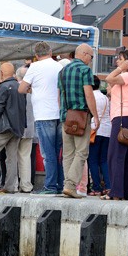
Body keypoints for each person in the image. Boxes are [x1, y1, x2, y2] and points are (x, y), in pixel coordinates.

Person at [19, 41, 64, 194]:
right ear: (50, 53)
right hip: (59, 113)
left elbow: (21, 89)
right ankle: (59, 185)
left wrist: (33, 89)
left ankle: (50, 186)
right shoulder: (59, 66)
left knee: (47, 153)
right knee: (57, 152)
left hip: (44, 113)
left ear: (36, 55)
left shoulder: (35, 67)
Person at [58, 44, 99, 199]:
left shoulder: (62, 71)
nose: (91, 60)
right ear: (84, 54)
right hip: (81, 115)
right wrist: (95, 116)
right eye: (91, 56)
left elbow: (59, 96)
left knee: (68, 153)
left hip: (66, 116)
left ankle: (67, 185)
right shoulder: (85, 70)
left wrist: (63, 113)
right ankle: (70, 186)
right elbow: (89, 94)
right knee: (81, 152)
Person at [0, 63, 26, 193]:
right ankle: (10, 186)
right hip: (17, 127)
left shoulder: (3, 86)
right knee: (12, 157)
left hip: (3, 126)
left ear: (1, 73)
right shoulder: (19, 86)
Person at [104, 49, 128, 200]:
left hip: (122, 117)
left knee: (115, 155)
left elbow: (108, 78)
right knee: (125, 156)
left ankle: (116, 192)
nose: (117, 61)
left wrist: (120, 68)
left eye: (120, 59)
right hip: (127, 117)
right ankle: (123, 190)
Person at [88, 76, 111, 197]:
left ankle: (96, 187)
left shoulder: (91, 96)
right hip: (107, 130)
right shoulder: (105, 97)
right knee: (104, 160)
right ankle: (108, 186)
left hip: (95, 130)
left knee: (93, 160)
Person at [15, 67, 36, 193]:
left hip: (16, 128)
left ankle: (14, 184)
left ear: (17, 76)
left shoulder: (16, 88)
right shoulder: (33, 90)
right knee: (25, 157)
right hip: (30, 128)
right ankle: (26, 185)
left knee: (12, 156)